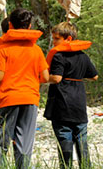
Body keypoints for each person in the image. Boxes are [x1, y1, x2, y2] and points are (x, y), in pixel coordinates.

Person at [0, 8, 49, 169]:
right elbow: (44, 77)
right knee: (24, 143)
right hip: (30, 98)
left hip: (9, 98)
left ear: (10, 25)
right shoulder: (36, 49)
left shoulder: (4, 49)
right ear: (30, 26)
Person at [43, 22, 98, 169]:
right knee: (82, 142)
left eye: (56, 39)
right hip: (79, 106)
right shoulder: (83, 56)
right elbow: (94, 77)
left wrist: (40, 78)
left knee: (64, 141)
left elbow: (56, 78)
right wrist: (77, 75)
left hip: (62, 106)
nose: (53, 42)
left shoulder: (59, 56)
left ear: (67, 38)